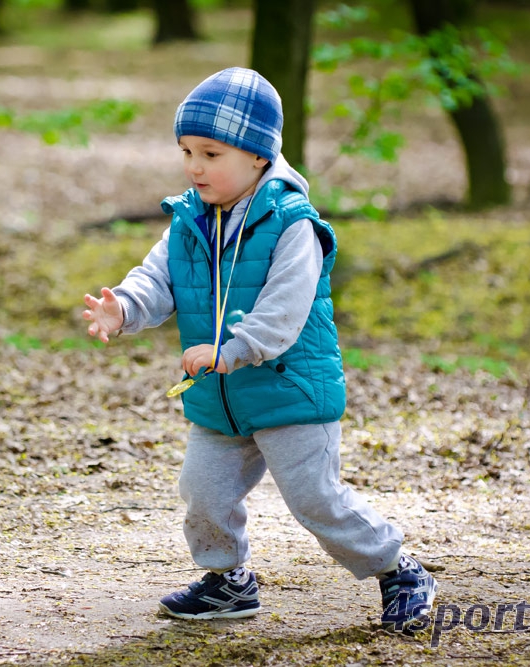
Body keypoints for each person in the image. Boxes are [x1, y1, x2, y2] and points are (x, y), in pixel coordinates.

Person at [82, 67, 436, 633]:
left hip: (290, 390)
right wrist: (122, 308)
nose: (195, 166)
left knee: (316, 501)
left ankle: (399, 570)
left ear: (257, 157)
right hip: (223, 399)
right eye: (186, 151)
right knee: (202, 493)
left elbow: (286, 309)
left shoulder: (292, 224)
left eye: (211, 153)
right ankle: (228, 583)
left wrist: (234, 348)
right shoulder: (189, 220)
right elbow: (157, 278)